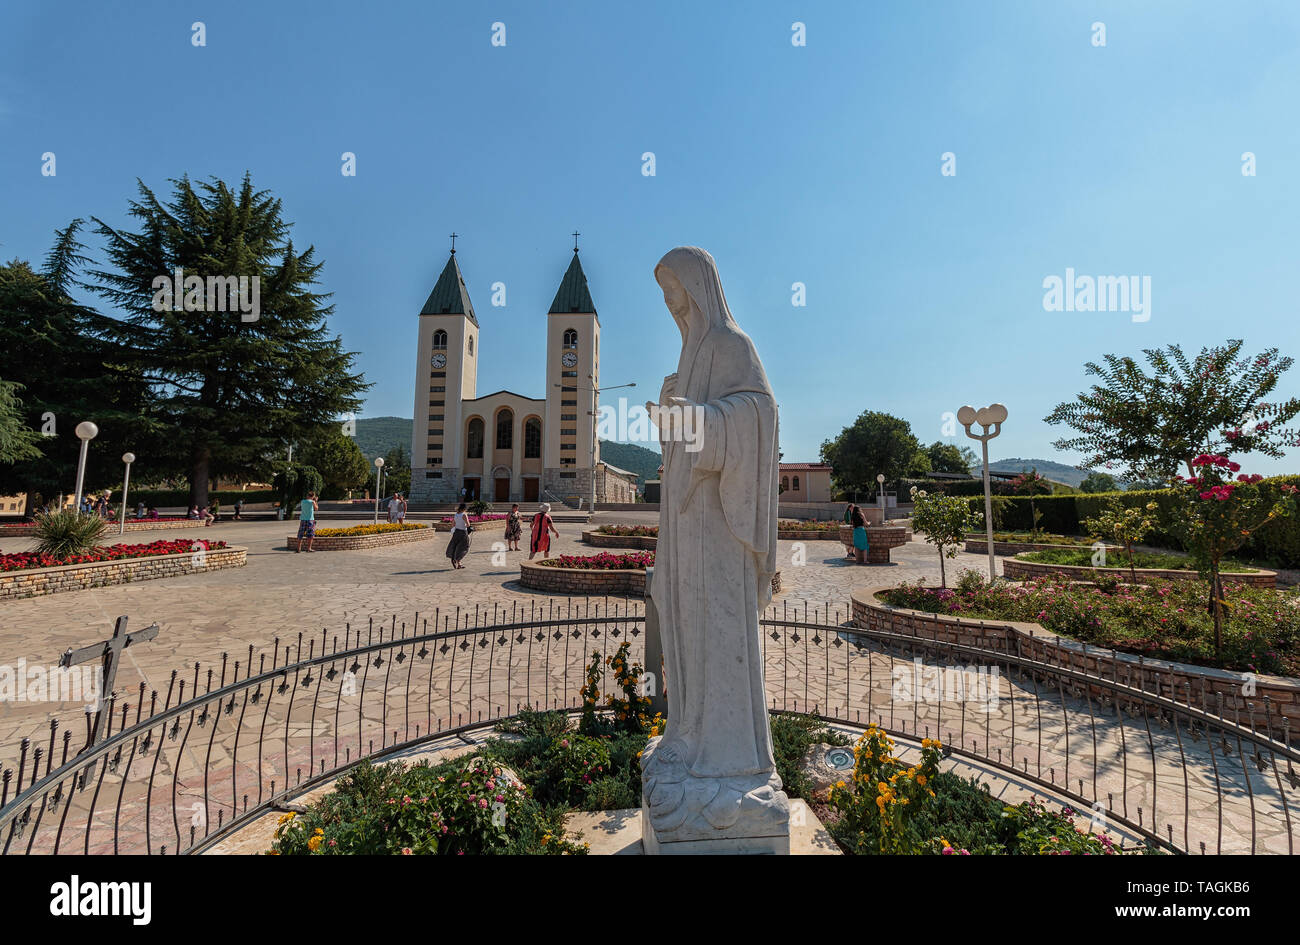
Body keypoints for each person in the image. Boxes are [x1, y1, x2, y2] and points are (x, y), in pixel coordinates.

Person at [445, 502, 471, 569]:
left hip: (456, 532)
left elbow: (453, 524)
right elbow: (468, 524)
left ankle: (458, 563)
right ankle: (457, 559)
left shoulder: (456, 514)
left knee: (455, 546)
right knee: (464, 547)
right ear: (465, 508)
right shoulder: (464, 514)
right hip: (463, 533)